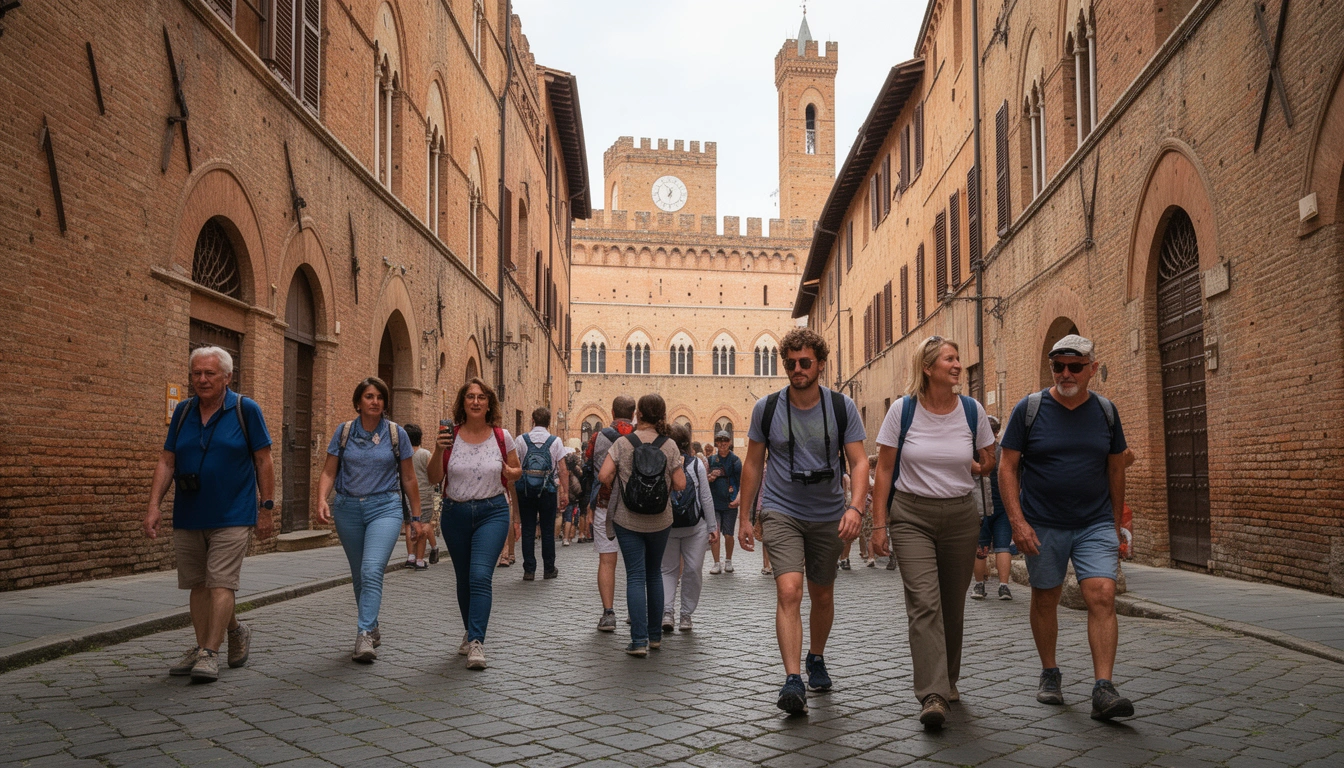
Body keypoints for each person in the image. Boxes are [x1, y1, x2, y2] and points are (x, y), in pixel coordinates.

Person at [998, 334, 1134, 721]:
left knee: (1102, 595)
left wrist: (1114, 521)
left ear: (1092, 369)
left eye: (1075, 366)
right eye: (1058, 366)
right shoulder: (1031, 409)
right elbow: (1007, 467)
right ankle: (1050, 672)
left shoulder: (1106, 411)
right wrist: (1017, 522)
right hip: (1041, 523)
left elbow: (1115, 466)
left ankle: (1103, 688)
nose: (1065, 373)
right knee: (1045, 597)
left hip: (1093, 523)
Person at [736, 329, 868, 714]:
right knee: (790, 591)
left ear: (820, 364)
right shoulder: (767, 408)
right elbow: (753, 463)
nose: (797, 369)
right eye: (790, 363)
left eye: (805, 362)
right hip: (781, 510)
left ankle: (816, 656)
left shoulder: (842, 407)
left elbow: (859, 461)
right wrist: (745, 517)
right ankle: (793, 679)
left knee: (822, 594)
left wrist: (855, 507)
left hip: (829, 513)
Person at [870, 336, 995, 728]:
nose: (958, 365)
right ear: (927, 368)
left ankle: (948, 681)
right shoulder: (903, 411)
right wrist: (879, 524)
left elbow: (988, 458)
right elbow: (884, 471)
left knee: (952, 605)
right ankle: (933, 693)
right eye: (949, 359)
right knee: (925, 603)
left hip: (961, 515)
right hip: (911, 516)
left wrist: (971, 468)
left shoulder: (972, 410)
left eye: (959, 358)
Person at [145, 346, 274, 683]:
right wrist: (154, 505)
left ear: (227, 377)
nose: (201, 380)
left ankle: (209, 653)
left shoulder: (246, 409)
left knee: (220, 581)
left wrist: (267, 507)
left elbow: (264, 460)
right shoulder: (184, 413)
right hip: (189, 512)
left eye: (209, 373)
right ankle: (223, 635)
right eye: (196, 373)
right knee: (197, 584)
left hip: (234, 512)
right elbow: (167, 460)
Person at [316, 377, 420, 664]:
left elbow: (409, 478)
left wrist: (416, 516)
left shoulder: (396, 434)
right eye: (369, 396)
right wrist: (322, 498)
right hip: (347, 508)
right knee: (360, 573)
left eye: (379, 397)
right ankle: (371, 626)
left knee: (373, 569)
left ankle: (363, 634)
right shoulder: (344, 431)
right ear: (358, 402)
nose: (375, 401)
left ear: (385, 403)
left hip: (384, 507)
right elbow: (328, 472)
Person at [427, 378, 522, 670]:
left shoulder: (502, 436)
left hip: (492, 511)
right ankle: (470, 631)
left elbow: (517, 471)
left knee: (480, 575)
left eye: (481, 397)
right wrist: (437, 449)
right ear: (463, 402)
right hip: (455, 513)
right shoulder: (450, 437)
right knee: (464, 577)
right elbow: (433, 478)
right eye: (470, 396)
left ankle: (477, 641)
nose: (476, 401)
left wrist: (510, 471)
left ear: (489, 402)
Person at [598, 394, 686, 656]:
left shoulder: (624, 443)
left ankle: (638, 642)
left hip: (628, 519)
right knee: (654, 574)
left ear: (638, 414)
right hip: (660, 520)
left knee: (635, 576)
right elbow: (681, 484)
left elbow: (603, 475)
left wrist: (619, 479)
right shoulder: (669, 445)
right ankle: (655, 637)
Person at [660, 423, 718, 633]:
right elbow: (706, 498)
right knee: (692, 570)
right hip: (691, 527)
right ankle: (679, 614)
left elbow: (705, 497)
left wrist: (711, 525)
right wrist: (712, 527)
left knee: (670, 570)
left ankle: (674, 613)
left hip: (674, 526)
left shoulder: (668, 463)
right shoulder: (696, 465)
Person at [585, 396, 636, 631]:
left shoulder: (598, 436)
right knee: (635, 563)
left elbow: (590, 470)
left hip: (605, 503)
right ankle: (635, 612)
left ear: (612, 411)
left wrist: (589, 505)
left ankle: (608, 614)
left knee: (607, 560)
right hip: (634, 507)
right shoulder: (641, 437)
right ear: (634, 413)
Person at [514, 407, 569, 580]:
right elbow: (563, 470)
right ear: (548, 422)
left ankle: (529, 570)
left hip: (526, 491)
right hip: (548, 491)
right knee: (547, 529)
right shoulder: (556, 441)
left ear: (533, 421)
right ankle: (549, 568)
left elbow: (515, 466)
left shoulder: (521, 440)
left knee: (529, 528)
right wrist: (565, 493)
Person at [972, 416, 1012, 600]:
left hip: (979, 506)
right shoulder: (1004, 451)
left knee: (981, 548)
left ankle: (979, 586)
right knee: (1003, 546)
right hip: (1003, 505)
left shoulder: (974, 452)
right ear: (997, 432)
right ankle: (1004, 587)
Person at [405, 424, 440, 570]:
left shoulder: (403, 456)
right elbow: (432, 474)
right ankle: (419, 560)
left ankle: (410, 556)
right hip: (424, 495)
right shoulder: (425, 454)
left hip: (407, 495)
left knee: (409, 525)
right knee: (424, 524)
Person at [706, 431, 742, 574]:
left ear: (730, 442)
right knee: (714, 534)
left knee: (728, 534)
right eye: (719, 441)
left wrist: (738, 498)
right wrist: (709, 477)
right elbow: (704, 480)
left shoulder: (735, 460)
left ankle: (728, 560)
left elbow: (742, 482)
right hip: (714, 503)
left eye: (725, 440)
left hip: (729, 503)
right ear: (716, 443)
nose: (722, 443)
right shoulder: (711, 460)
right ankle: (716, 563)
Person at [562, 451, 583, 546]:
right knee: (569, 518)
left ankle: (563, 536)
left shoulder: (563, 471)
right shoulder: (576, 472)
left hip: (562, 495)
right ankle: (566, 538)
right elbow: (578, 486)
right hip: (572, 497)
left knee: (561, 517)